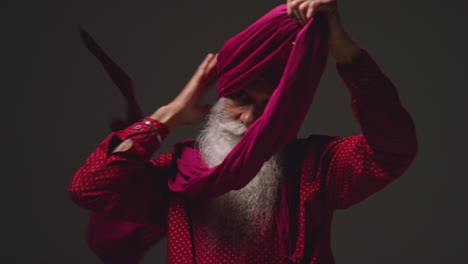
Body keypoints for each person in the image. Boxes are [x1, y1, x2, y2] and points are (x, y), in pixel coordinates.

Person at [69, 1, 418, 263]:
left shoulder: (316, 169)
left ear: (287, 108)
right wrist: (170, 114)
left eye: (269, 105)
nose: (251, 118)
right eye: (240, 97)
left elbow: (393, 149)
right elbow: (90, 189)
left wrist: (345, 51)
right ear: (221, 95)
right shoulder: (175, 177)